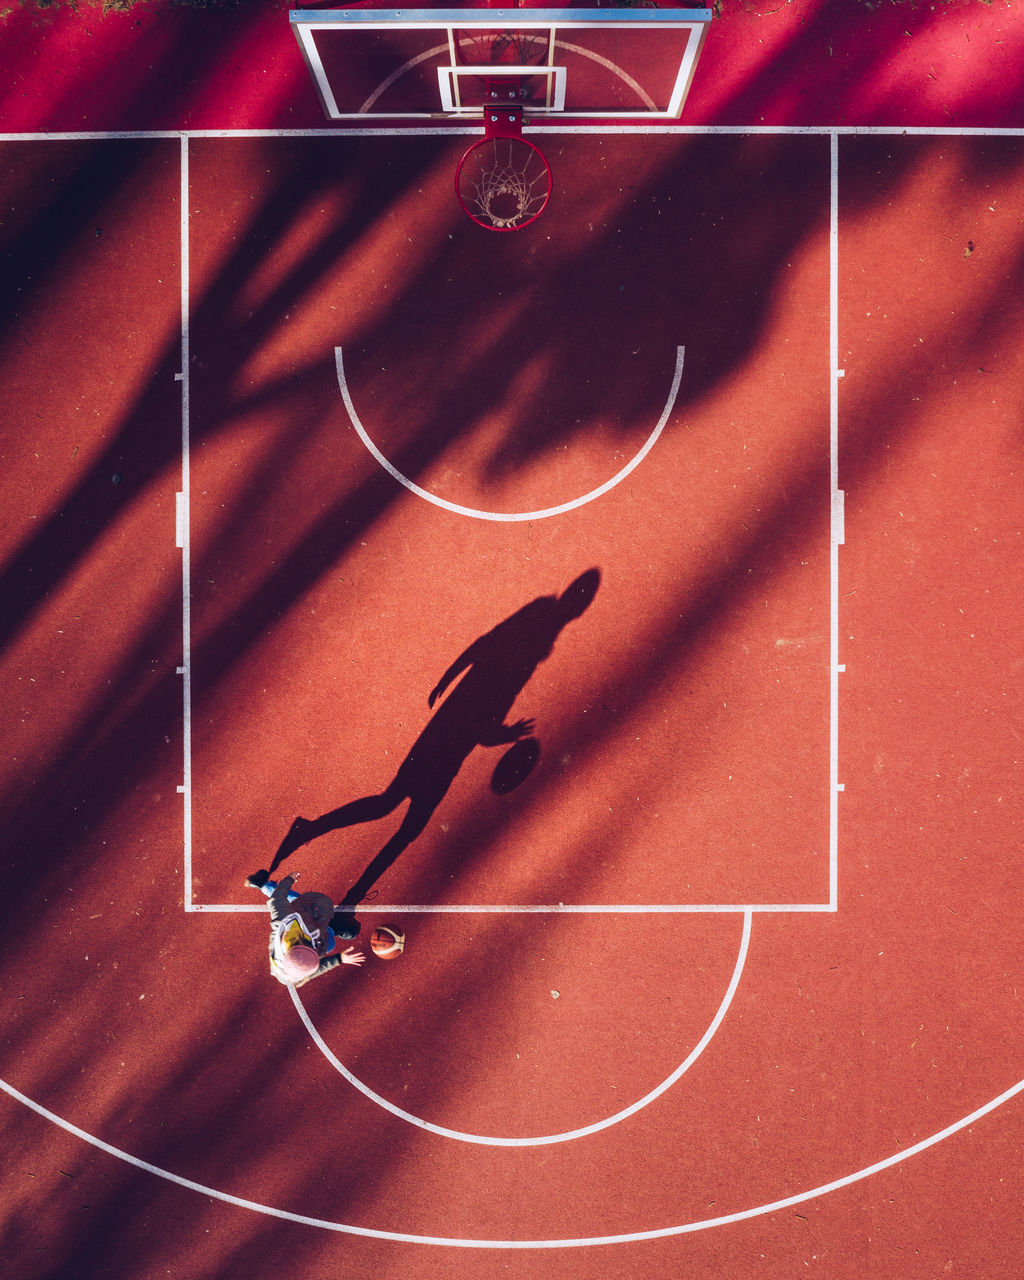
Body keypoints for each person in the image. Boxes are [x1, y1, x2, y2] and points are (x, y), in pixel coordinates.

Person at [246, 870, 364, 986]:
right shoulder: (296, 974)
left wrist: (289, 879)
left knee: (301, 905)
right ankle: (331, 928)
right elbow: (315, 969)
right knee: (330, 943)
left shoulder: (283, 923)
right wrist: (339, 959)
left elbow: (277, 899)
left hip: (298, 921)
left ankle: (263, 885)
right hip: (307, 931)